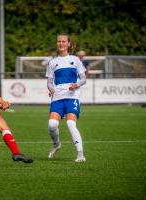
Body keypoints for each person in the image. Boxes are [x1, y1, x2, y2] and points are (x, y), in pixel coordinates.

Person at [45, 34, 86, 162]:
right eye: (59, 41)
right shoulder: (52, 62)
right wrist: (50, 88)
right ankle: (56, 144)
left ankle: (80, 155)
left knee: (70, 123)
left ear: (68, 44)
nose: (61, 43)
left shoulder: (75, 60)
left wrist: (77, 84)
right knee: (52, 125)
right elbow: (49, 82)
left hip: (72, 96)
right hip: (57, 96)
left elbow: (84, 79)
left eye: (64, 41)